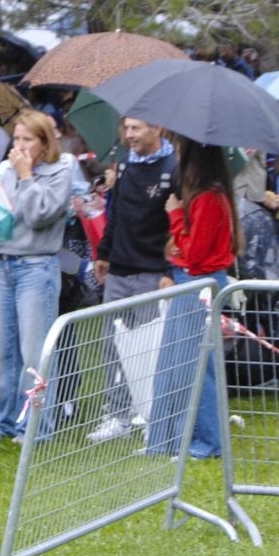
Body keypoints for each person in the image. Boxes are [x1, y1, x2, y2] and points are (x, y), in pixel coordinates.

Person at [0, 109, 72, 443]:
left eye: (27, 139)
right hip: (6, 264)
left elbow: (39, 215)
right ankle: (4, 422)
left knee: (34, 353)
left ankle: (36, 427)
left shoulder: (61, 171)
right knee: (3, 352)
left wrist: (27, 176)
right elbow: (1, 213)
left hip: (37, 267)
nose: (19, 145)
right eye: (16, 138)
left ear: (44, 143)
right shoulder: (7, 170)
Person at [85, 116, 179, 443]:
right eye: (126, 128)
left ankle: (152, 414)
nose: (129, 135)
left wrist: (169, 271)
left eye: (136, 128)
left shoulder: (173, 168)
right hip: (119, 269)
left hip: (153, 271)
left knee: (150, 349)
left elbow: (178, 225)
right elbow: (117, 215)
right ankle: (117, 414)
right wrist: (104, 253)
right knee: (113, 346)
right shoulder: (125, 166)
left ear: (158, 128)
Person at [144, 135, 238, 459]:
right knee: (176, 364)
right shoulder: (205, 197)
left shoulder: (209, 198)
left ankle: (206, 441)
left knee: (196, 367)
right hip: (193, 281)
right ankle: (169, 439)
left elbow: (195, 255)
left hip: (199, 284)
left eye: (180, 149)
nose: (176, 156)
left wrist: (174, 215)